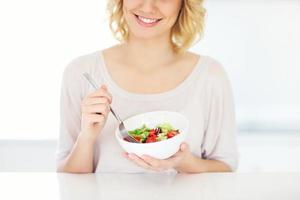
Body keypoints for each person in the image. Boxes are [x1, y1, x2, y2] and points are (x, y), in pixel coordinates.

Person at [56, 0, 238, 173]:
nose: (148, 6)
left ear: (184, 4)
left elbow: (226, 167)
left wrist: (184, 163)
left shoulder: (210, 75)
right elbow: (67, 179)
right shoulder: (81, 72)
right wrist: (87, 137)